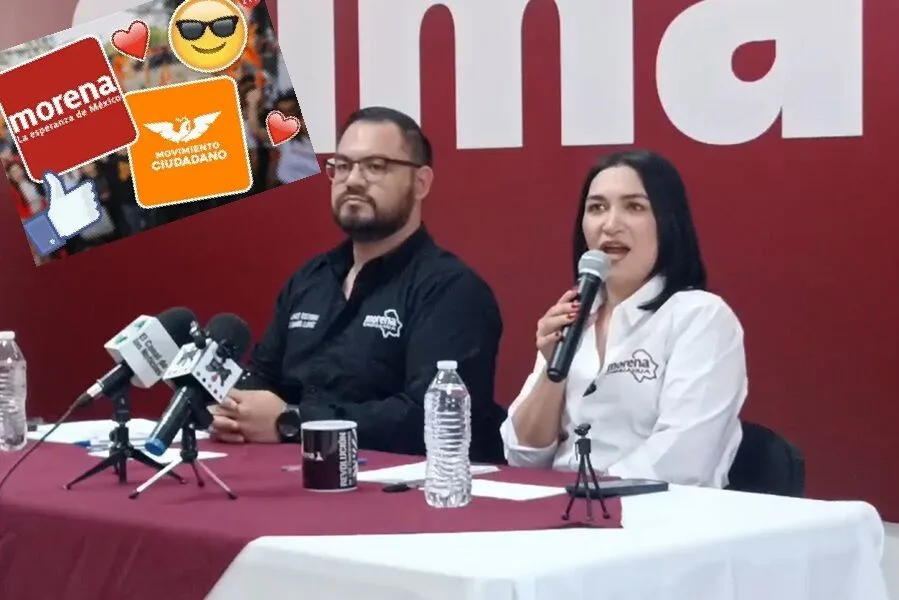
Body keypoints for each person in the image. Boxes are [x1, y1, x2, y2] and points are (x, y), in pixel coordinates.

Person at [211, 106, 507, 463]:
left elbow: (427, 418)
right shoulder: (310, 279)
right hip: (290, 476)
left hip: (403, 489)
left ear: (421, 183)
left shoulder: (452, 290)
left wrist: (293, 422)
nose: (352, 180)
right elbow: (264, 379)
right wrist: (235, 410)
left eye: (375, 166)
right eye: (343, 166)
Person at [500, 150, 748, 488]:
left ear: (668, 222)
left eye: (634, 207)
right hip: (565, 506)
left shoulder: (700, 317)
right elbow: (523, 457)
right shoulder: (574, 314)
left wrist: (586, 495)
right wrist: (552, 371)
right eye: (597, 208)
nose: (610, 224)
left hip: (656, 512)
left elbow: (682, 461)